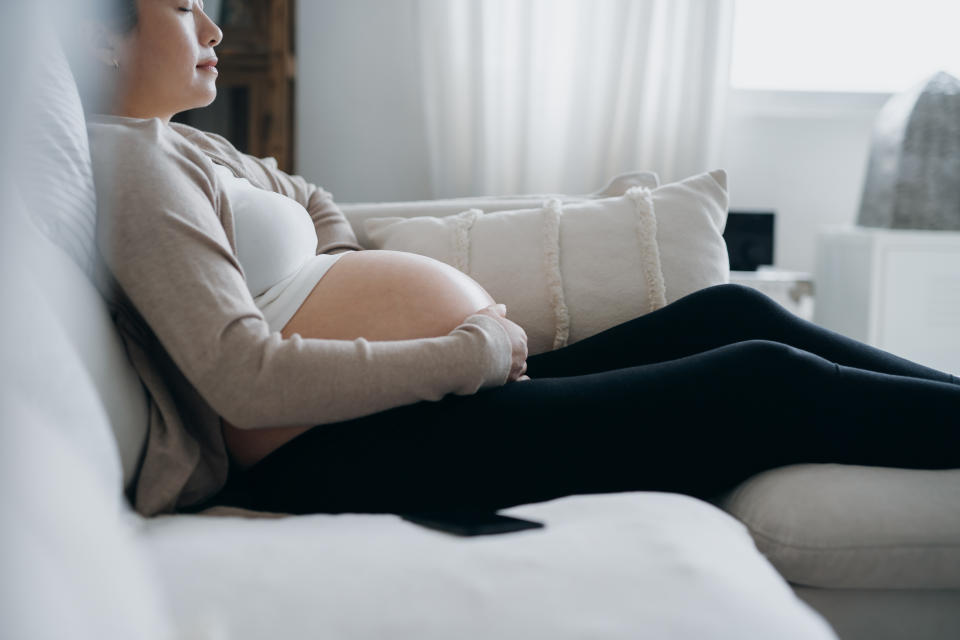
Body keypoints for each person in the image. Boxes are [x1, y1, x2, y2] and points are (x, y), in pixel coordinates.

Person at [78, 0, 959, 518]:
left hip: (398, 407)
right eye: (182, 4)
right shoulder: (128, 164)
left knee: (734, 316)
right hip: (330, 452)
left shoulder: (198, 148)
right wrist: (462, 356)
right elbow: (244, 380)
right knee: (761, 381)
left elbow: (312, 200)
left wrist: (346, 276)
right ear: (105, 33)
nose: (214, 25)